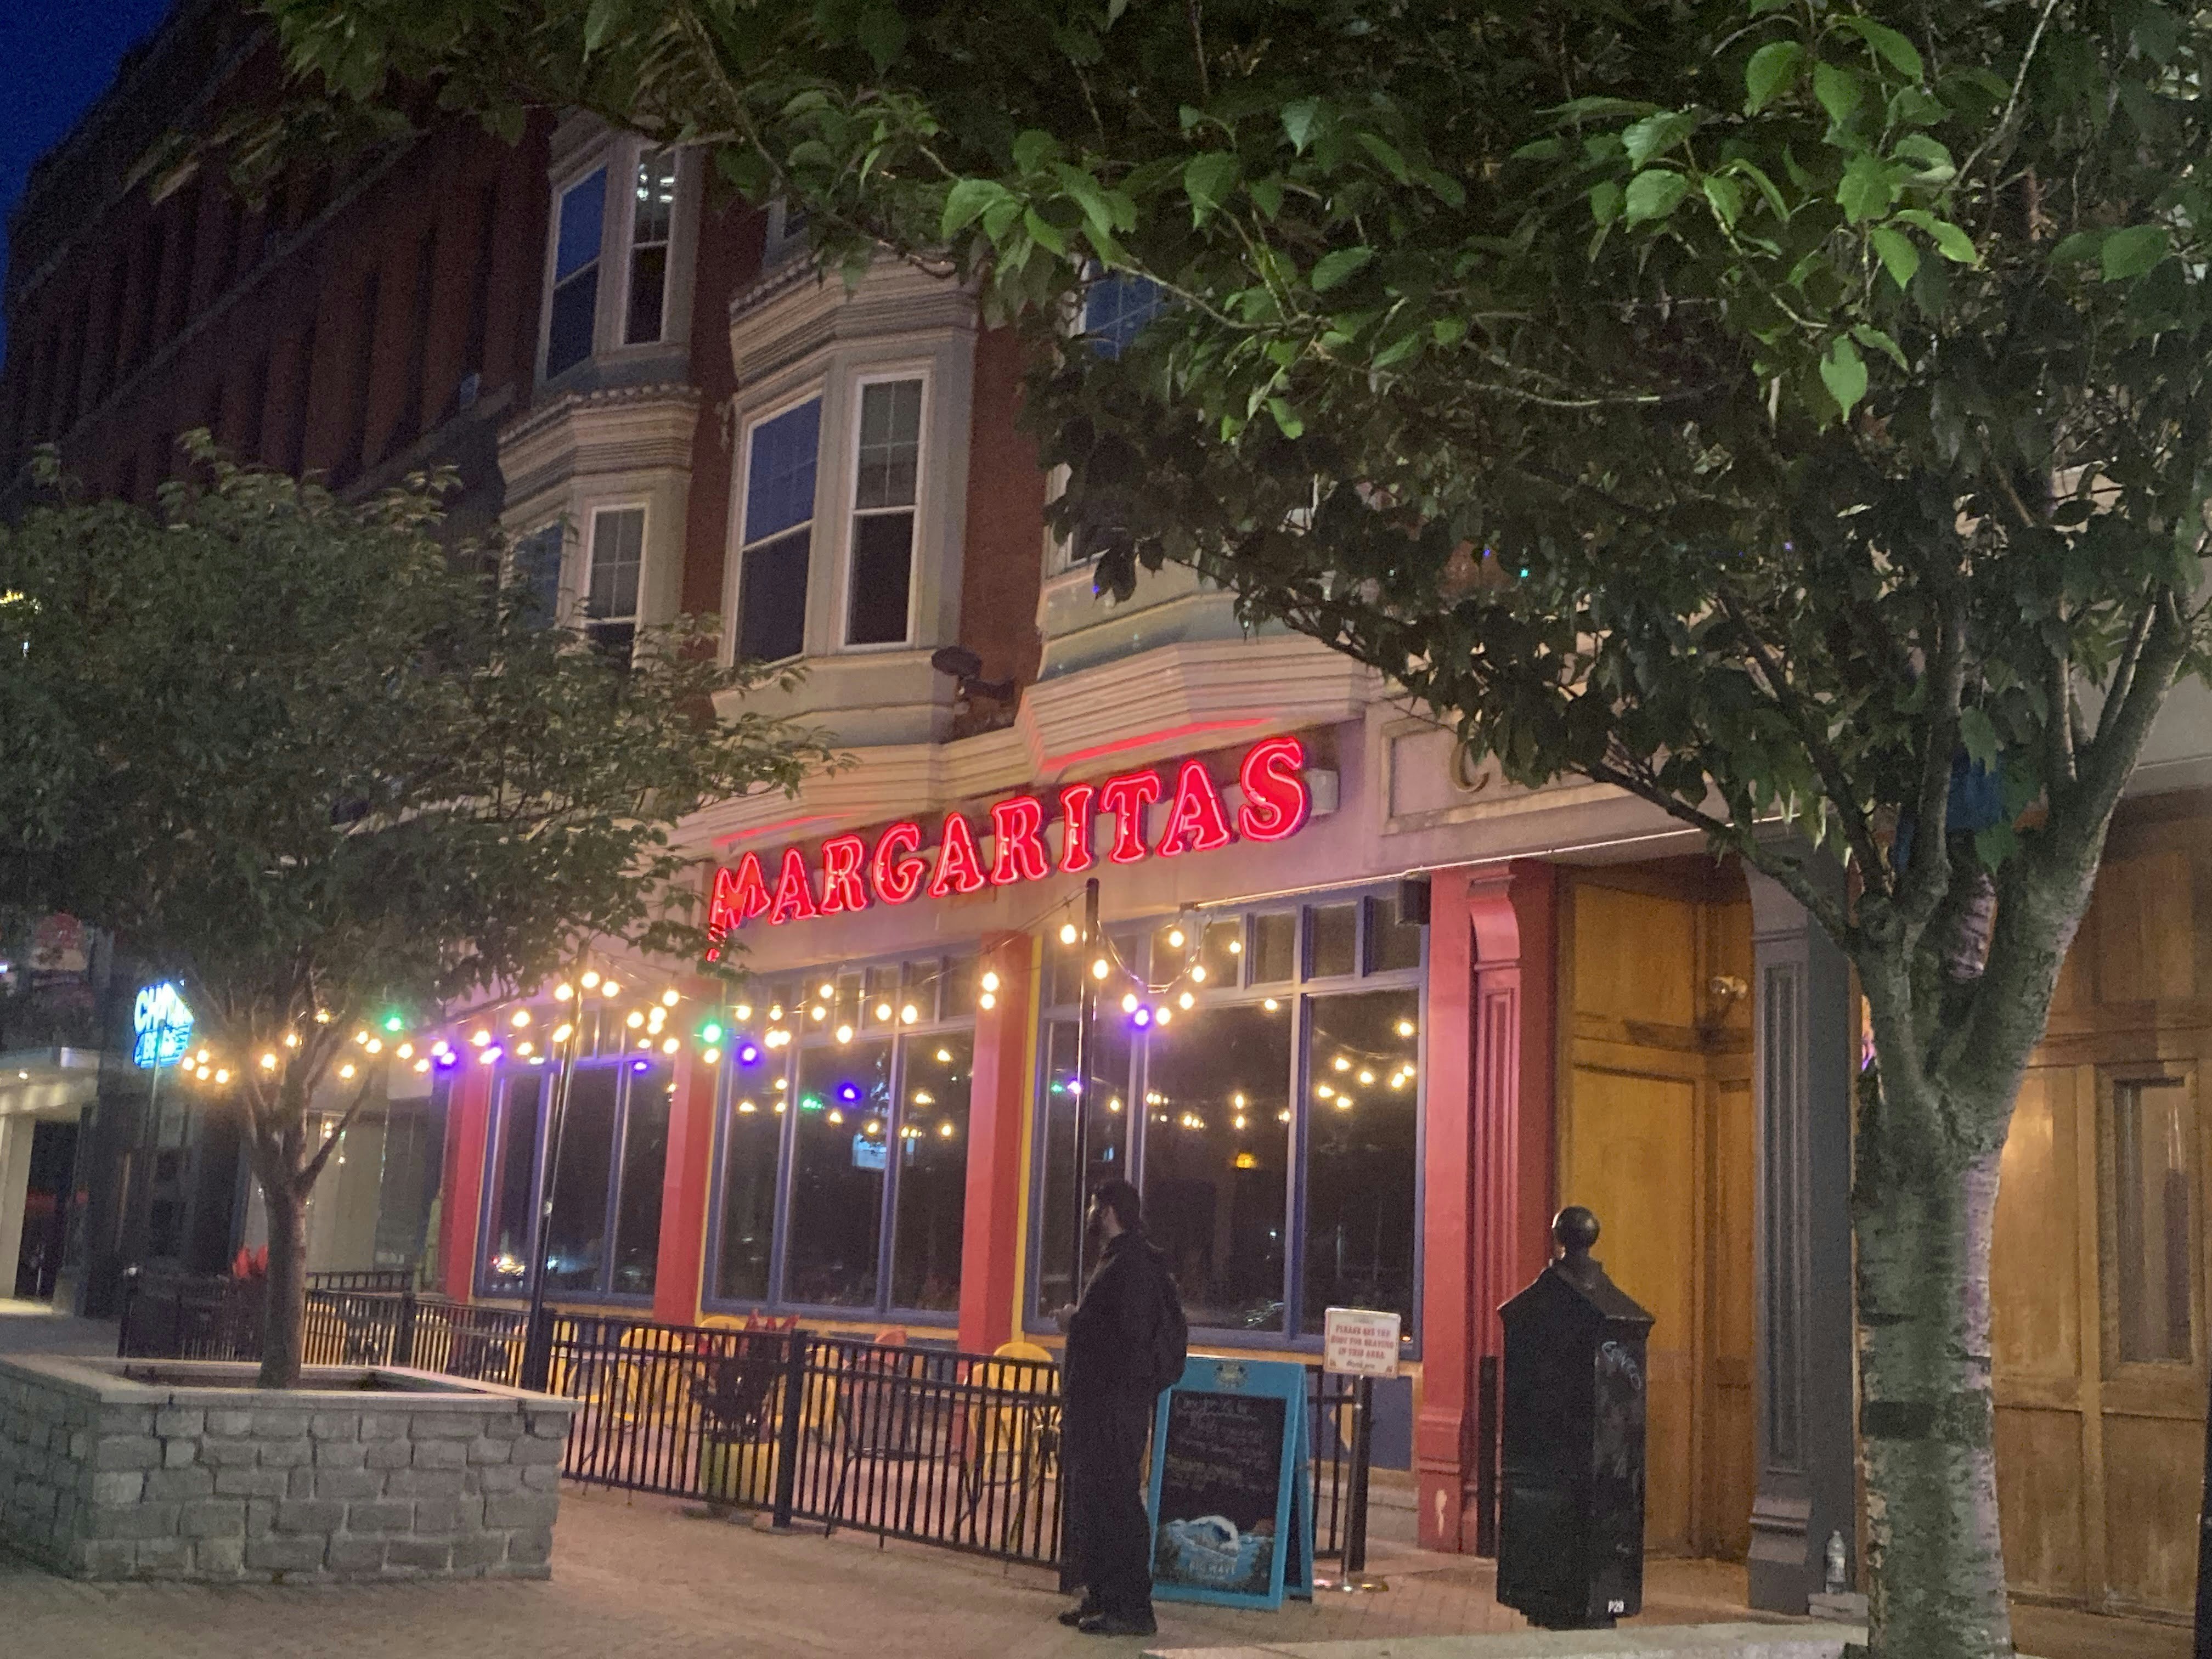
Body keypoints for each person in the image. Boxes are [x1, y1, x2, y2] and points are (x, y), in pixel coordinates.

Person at [1053, 1179, 1180, 1638]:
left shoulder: (1133, 1265)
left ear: (1108, 1211)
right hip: (1100, 1407)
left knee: (1118, 1503)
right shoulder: (1119, 1261)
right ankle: (1103, 1596)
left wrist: (1076, 1321)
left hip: (1114, 1409)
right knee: (1095, 1504)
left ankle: (1132, 1608)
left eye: (1094, 1205)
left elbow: (1125, 1340)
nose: (1089, 1212)